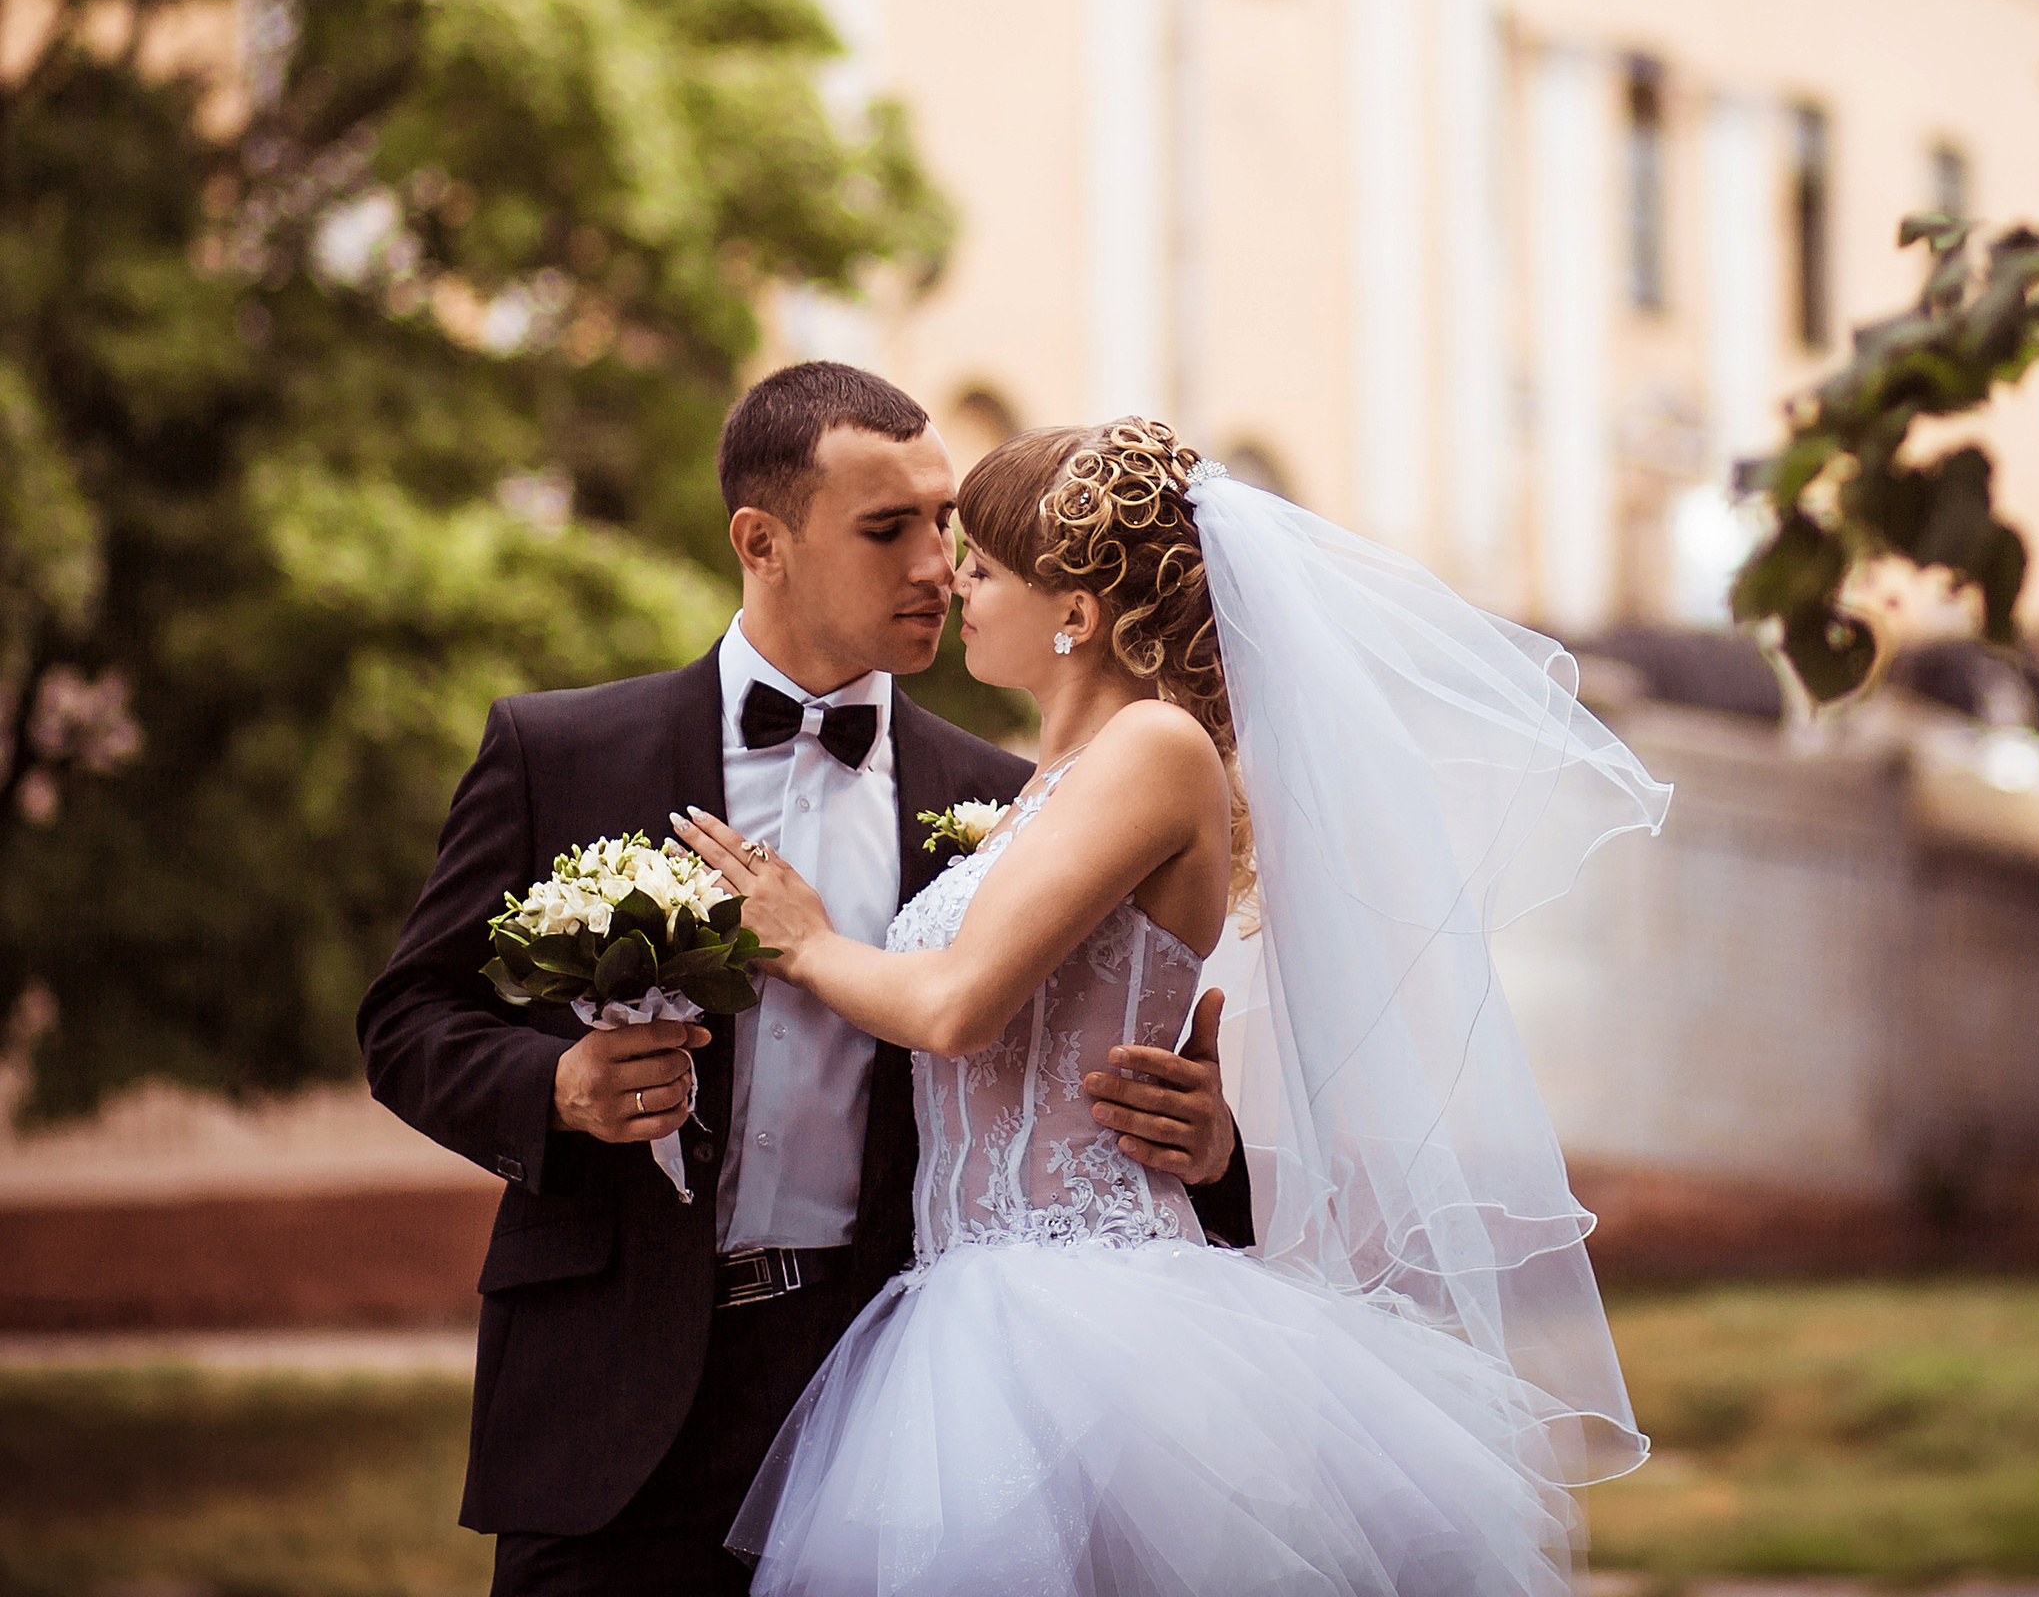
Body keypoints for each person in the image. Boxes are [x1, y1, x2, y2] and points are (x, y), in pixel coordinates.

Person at [678, 416, 1668, 1597]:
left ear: (1078, 614)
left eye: (981, 566)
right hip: (970, 1296)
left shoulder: (1153, 747)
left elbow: (953, 1008)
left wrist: (805, 942)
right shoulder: (1050, 786)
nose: (951, 582)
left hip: (1077, 1311)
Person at [357, 365, 1253, 1597]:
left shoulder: (1006, 800)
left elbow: (1063, 1061)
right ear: (760, 541)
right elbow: (409, 1018)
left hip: (896, 1397)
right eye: (892, 528)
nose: (938, 563)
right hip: (610, 1393)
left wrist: (1213, 1147)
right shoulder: (560, 751)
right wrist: (559, 1084)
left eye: (949, 525)